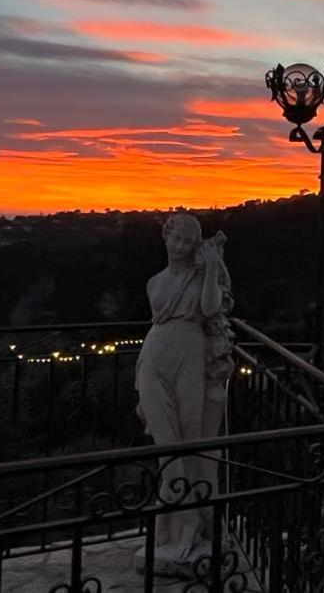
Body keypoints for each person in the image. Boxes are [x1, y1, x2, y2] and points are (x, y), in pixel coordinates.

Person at [135, 212, 234, 570]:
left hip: (190, 358)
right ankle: (182, 521)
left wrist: (210, 267)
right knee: (167, 447)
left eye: (189, 242)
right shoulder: (154, 282)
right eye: (177, 239)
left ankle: (181, 521)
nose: (181, 247)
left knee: (189, 441)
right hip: (154, 360)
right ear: (165, 236)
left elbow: (209, 308)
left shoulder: (200, 276)